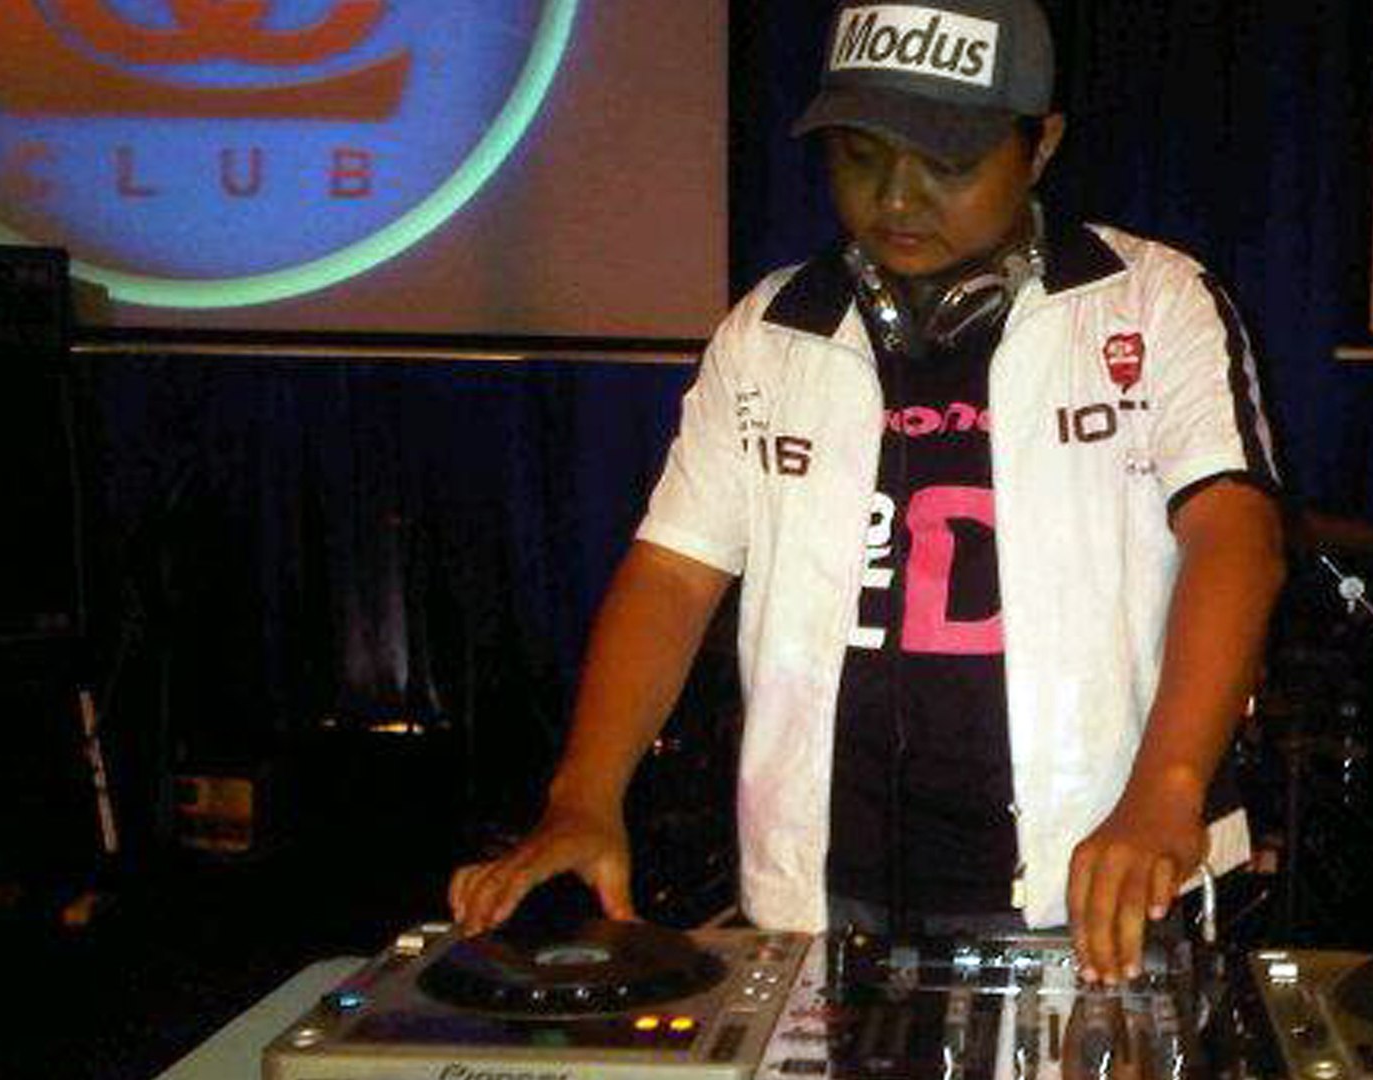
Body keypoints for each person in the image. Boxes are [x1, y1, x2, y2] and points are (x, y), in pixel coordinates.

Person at [450, 0, 1286, 985]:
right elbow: (673, 573)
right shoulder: (771, 332)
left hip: (1102, 880)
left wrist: (1167, 790)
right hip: (819, 897)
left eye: (947, 163)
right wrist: (584, 795)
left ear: (1042, 146)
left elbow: (1236, 537)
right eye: (860, 156)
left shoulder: (1152, 301)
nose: (897, 197)